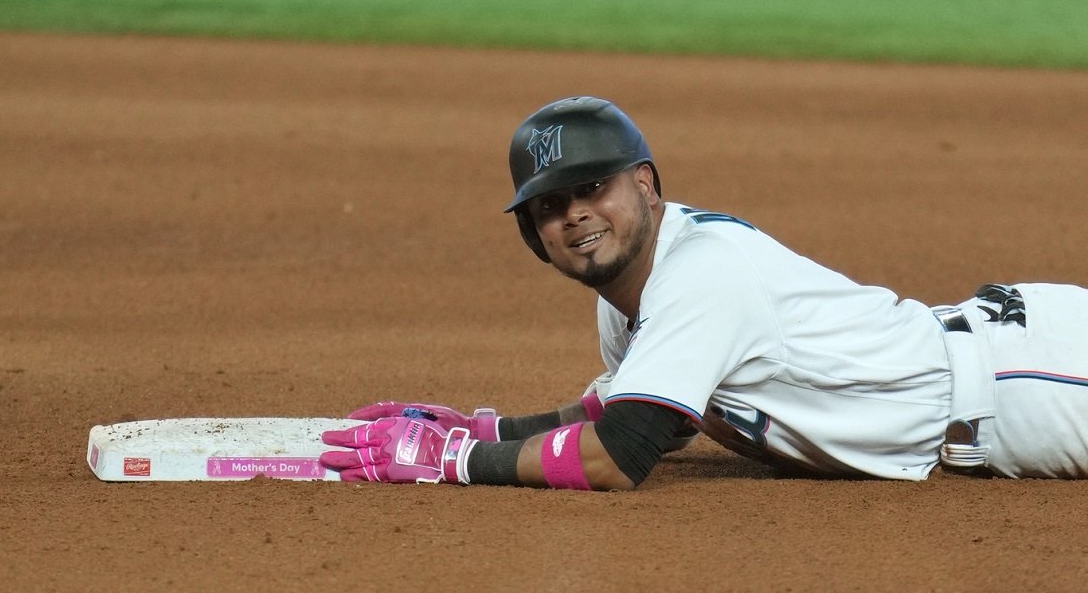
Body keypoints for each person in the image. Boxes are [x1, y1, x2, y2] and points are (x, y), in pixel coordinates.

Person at [321, 96, 1088, 488]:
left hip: (1037, 377)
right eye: (549, 207)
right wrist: (484, 427)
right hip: (1006, 372)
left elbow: (618, 455)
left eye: (590, 189)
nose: (574, 215)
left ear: (646, 185)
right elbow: (638, 412)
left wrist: (455, 459)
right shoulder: (636, 288)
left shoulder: (700, 276)